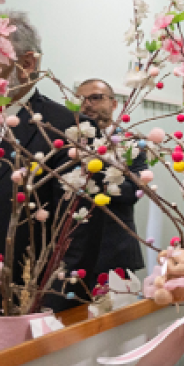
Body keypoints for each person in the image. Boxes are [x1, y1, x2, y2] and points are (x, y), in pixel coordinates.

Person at [0, 11, 79, 341]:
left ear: (26, 62)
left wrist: (43, 314)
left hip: (17, 310)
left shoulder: (65, 129)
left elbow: (76, 237)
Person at [61, 78, 146, 293]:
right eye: (81, 99)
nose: (87, 104)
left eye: (96, 98)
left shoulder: (131, 144)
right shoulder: (65, 143)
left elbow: (133, 192)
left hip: (115, 253)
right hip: (68, 254)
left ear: (114, 103)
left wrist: (95, 174)